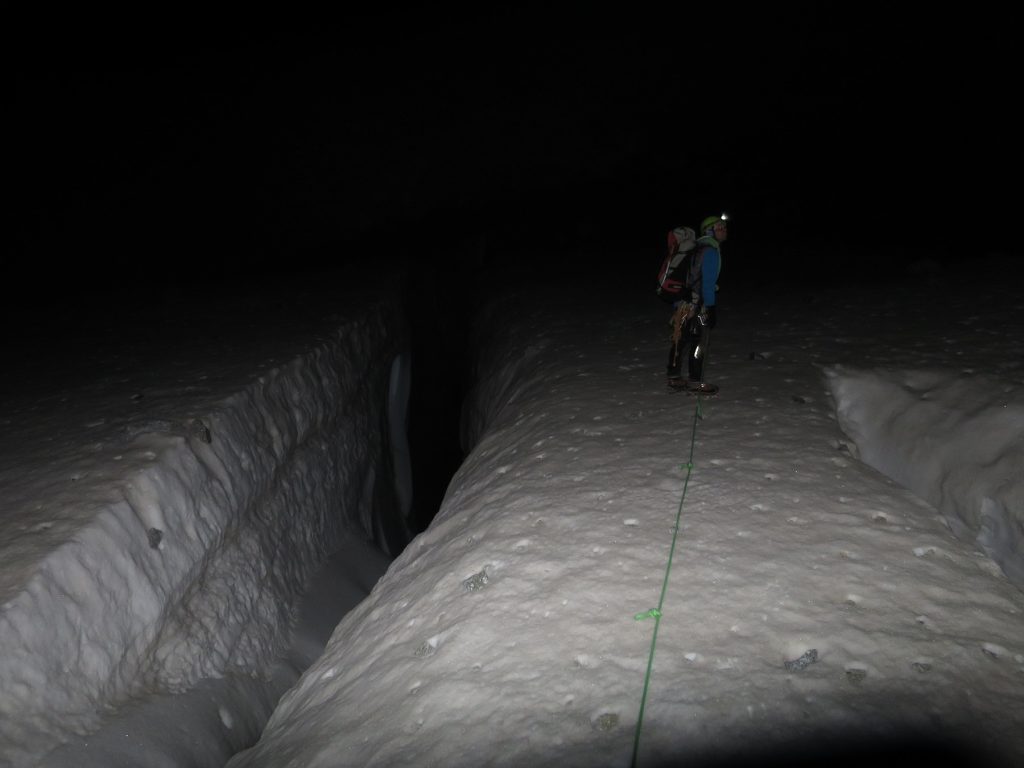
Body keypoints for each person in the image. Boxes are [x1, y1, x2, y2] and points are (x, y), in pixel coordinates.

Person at [666, 213, 726, 392]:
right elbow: (707, 284)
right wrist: (711, 308)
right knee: (699, 341)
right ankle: (695, 380)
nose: (724, 230)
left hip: (683, 303)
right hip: (698, 306)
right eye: (719, 227)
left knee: (681, 339)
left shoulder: (695, 248)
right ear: (710, 231)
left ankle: (674, 377)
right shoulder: (710, 251)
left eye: (724, 227)